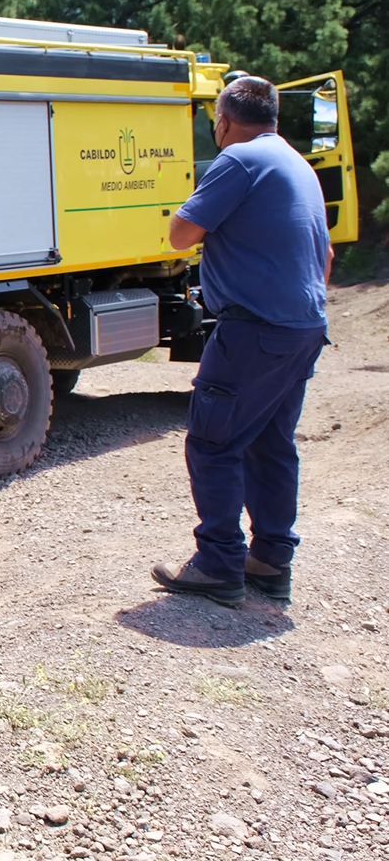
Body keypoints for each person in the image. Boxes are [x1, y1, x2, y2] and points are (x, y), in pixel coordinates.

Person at [151, 76, 332, 606]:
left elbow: (182, 234)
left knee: (213, 442)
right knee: (271, 442)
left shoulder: (238, 161)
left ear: (223, 121)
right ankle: (271, 561)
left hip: (253, 330)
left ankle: (219, 563)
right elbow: (324, 259)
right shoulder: (298, 165)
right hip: (303, 326)